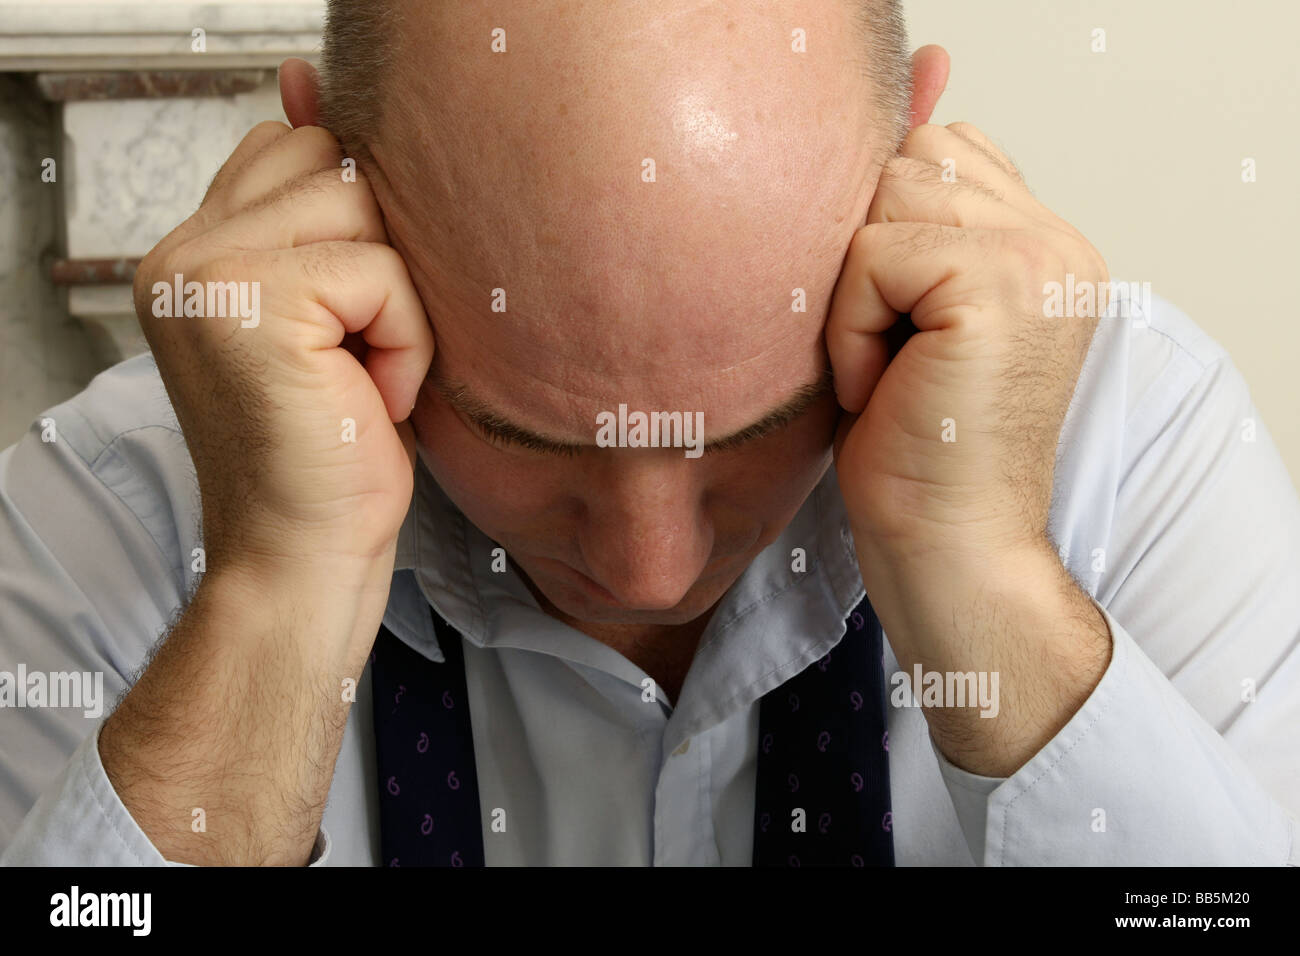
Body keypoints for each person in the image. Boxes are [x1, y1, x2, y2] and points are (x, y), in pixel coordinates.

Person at [2, 0, 1297, 866]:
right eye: (528, 434)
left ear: (914, 153)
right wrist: (270, 595)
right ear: (330, 176)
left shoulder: (1133, 438)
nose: (648, 570)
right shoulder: (102, 516)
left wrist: (994, 581)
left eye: (763, 423)